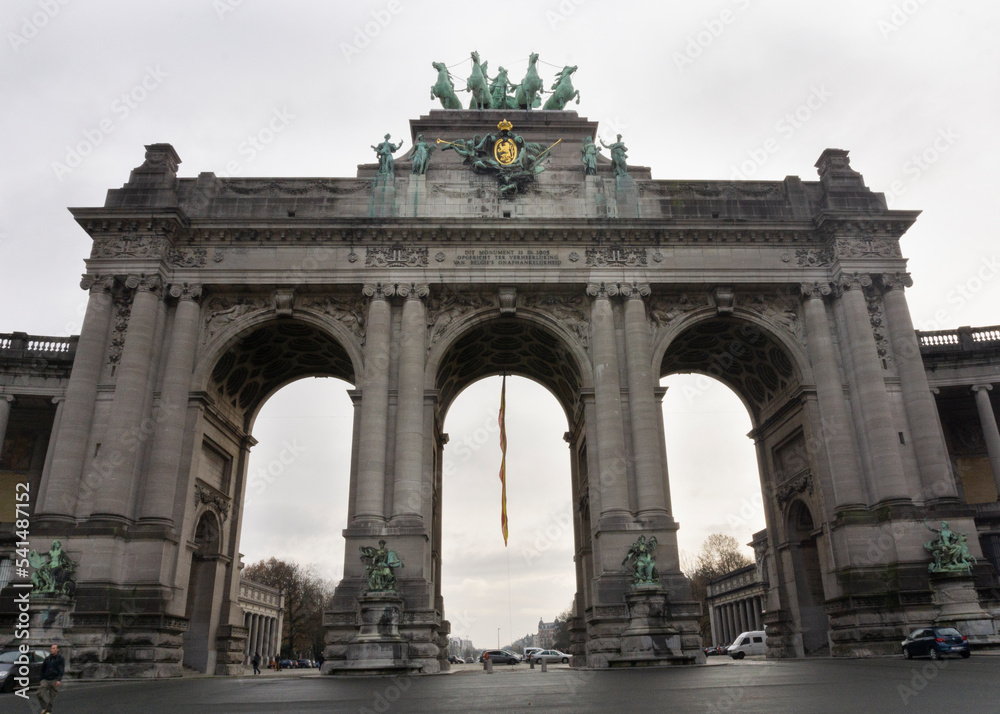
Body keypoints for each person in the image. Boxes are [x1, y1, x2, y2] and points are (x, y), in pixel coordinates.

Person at [37, 643, 65, 714]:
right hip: (46, 679)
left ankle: (48, 711)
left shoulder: (60, 659)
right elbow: (43, 669)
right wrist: (41, 679)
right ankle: (44, 707)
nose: (51, 650)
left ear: (57, 650)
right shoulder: (47, 659)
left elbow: (61, 670)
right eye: (51, 648)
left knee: (52, 696)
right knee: (39, 693)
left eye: (53, 648)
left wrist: (59, 679)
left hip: (54, 679)